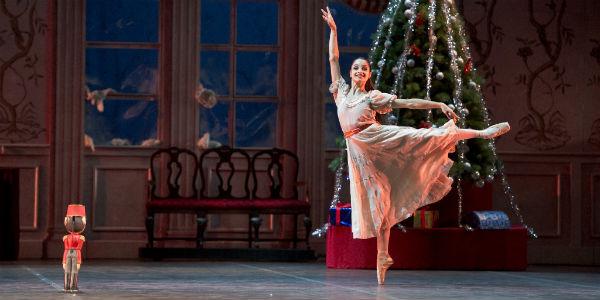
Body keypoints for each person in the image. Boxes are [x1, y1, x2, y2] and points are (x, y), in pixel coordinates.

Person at [321, 7, 510, 285]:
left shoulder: (372, 97)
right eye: (356, 68)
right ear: (351, 73)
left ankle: (483, 133)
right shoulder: (341, 93)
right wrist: (334, 31)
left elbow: (407, 103)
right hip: (360, 153)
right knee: (379, 203)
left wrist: (438, 104)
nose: (359, 70)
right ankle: (383, 255)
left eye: (364, 68)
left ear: (368, 74)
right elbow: (333, 57)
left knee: (424, 137)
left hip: (377, 138)